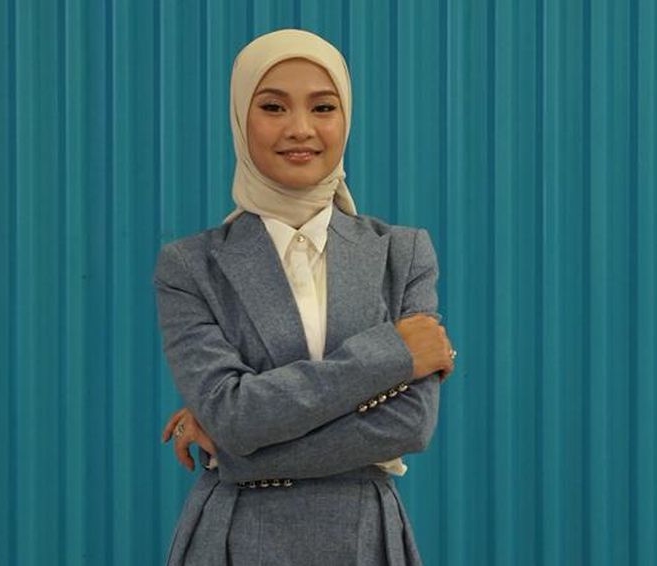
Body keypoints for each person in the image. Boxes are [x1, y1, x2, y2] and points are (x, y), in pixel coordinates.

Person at [153, 28, 456, 565]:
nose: (300, 128)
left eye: (323, 107)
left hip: (363, 537)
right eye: (273, 107)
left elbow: (409, 423)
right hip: (233, 538)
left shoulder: (401, 253)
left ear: (346, 118)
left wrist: (237, 453)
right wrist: (393, 354)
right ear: (240, 118)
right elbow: (234, 415)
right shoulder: (191, 266)